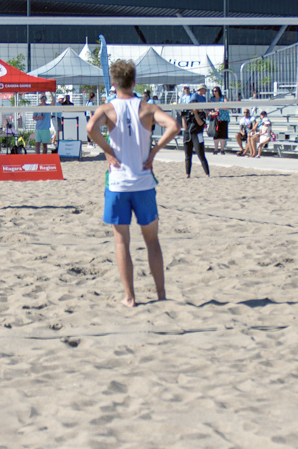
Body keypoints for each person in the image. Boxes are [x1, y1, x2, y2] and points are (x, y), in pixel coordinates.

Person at [85, 60, 180, 307]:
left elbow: (90, 129)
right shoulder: (147, 108)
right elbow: (174, 126)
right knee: (152, 241)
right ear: (135, 82)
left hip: (117, 185)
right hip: (143, 183)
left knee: (121, 243)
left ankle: (130, 298)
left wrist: (107, 150)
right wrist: (155, 150)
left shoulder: (107, 109)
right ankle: (161, 294)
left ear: (114, 83)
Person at [181, 99, 210, 178]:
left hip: (197, 135)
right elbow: (185, 127)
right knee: (187, 156)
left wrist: (195, 113)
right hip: (188, 135)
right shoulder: (188, 114)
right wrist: (183, 117)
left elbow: (200, 123)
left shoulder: (201, 114)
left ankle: (207, 173)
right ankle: (187, 173)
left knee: (200, 154)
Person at [209, 86, 229, 154]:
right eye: (213, 91)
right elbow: (208, 108)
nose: (214, 92)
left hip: (223, 118)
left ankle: (222, 149)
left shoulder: (223, 98)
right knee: (216, 134)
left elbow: (227, 107)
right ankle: (216, 149)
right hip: (215, 118)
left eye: (216, 91)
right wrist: (212, 112)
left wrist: (219, 107)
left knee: (222, 134)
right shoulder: (211, 99)